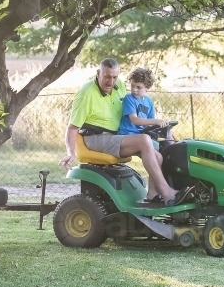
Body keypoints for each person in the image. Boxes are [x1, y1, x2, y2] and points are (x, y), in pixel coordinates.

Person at [59, 58, 183, 206]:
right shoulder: (86, 94)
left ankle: (152, 194)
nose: (111, 81)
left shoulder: (119, 86)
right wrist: (71, 152)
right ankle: (167, 192)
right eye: (107, 76)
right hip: (96, 138)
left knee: (158, 156)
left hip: (116, 136)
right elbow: (72, 128)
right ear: (98, 73)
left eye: (114, 77)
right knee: (144, 140)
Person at [117, 67, 175, 142]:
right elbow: (135, 120)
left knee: (169, 133)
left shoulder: (148, 101)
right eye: (132, 85)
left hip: (142, 133)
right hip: (128, 134)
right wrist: (156, 121)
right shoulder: (129, 98)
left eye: (138, 87)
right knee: (156, 147)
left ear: (147, 88)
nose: (134, 89)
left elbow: (150, 123)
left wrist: (162, 125)